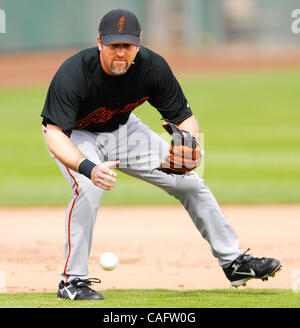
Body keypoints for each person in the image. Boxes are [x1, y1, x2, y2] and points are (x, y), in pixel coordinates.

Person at [41, 8, 281, 301]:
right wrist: (89, 167)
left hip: (125, 131)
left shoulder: (153, 67)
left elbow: (184, 118)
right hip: (75, 136)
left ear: (139, 42)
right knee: (88, 188)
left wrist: (191, 146)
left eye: (126, 46)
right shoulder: (74, 72)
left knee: (190, 182)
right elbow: (54, 134)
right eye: (114, 45)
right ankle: (72, 281)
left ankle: (234, 263)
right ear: (100, 42)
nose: (120, 53)